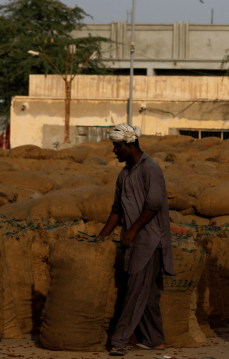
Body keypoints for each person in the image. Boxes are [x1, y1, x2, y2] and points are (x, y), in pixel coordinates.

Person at [95, 124, 174, 357]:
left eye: (117, 146)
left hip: (150, 241)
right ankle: (155, 340)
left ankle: (118, 341)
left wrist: (132, 231)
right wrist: (101, 236)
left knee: (135, 292)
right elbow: (117, 210)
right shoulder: (124, 174)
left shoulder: (151, 168)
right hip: (134, 242)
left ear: (129, 145)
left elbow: (154, 204)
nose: (114, 151)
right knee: (148, 295)